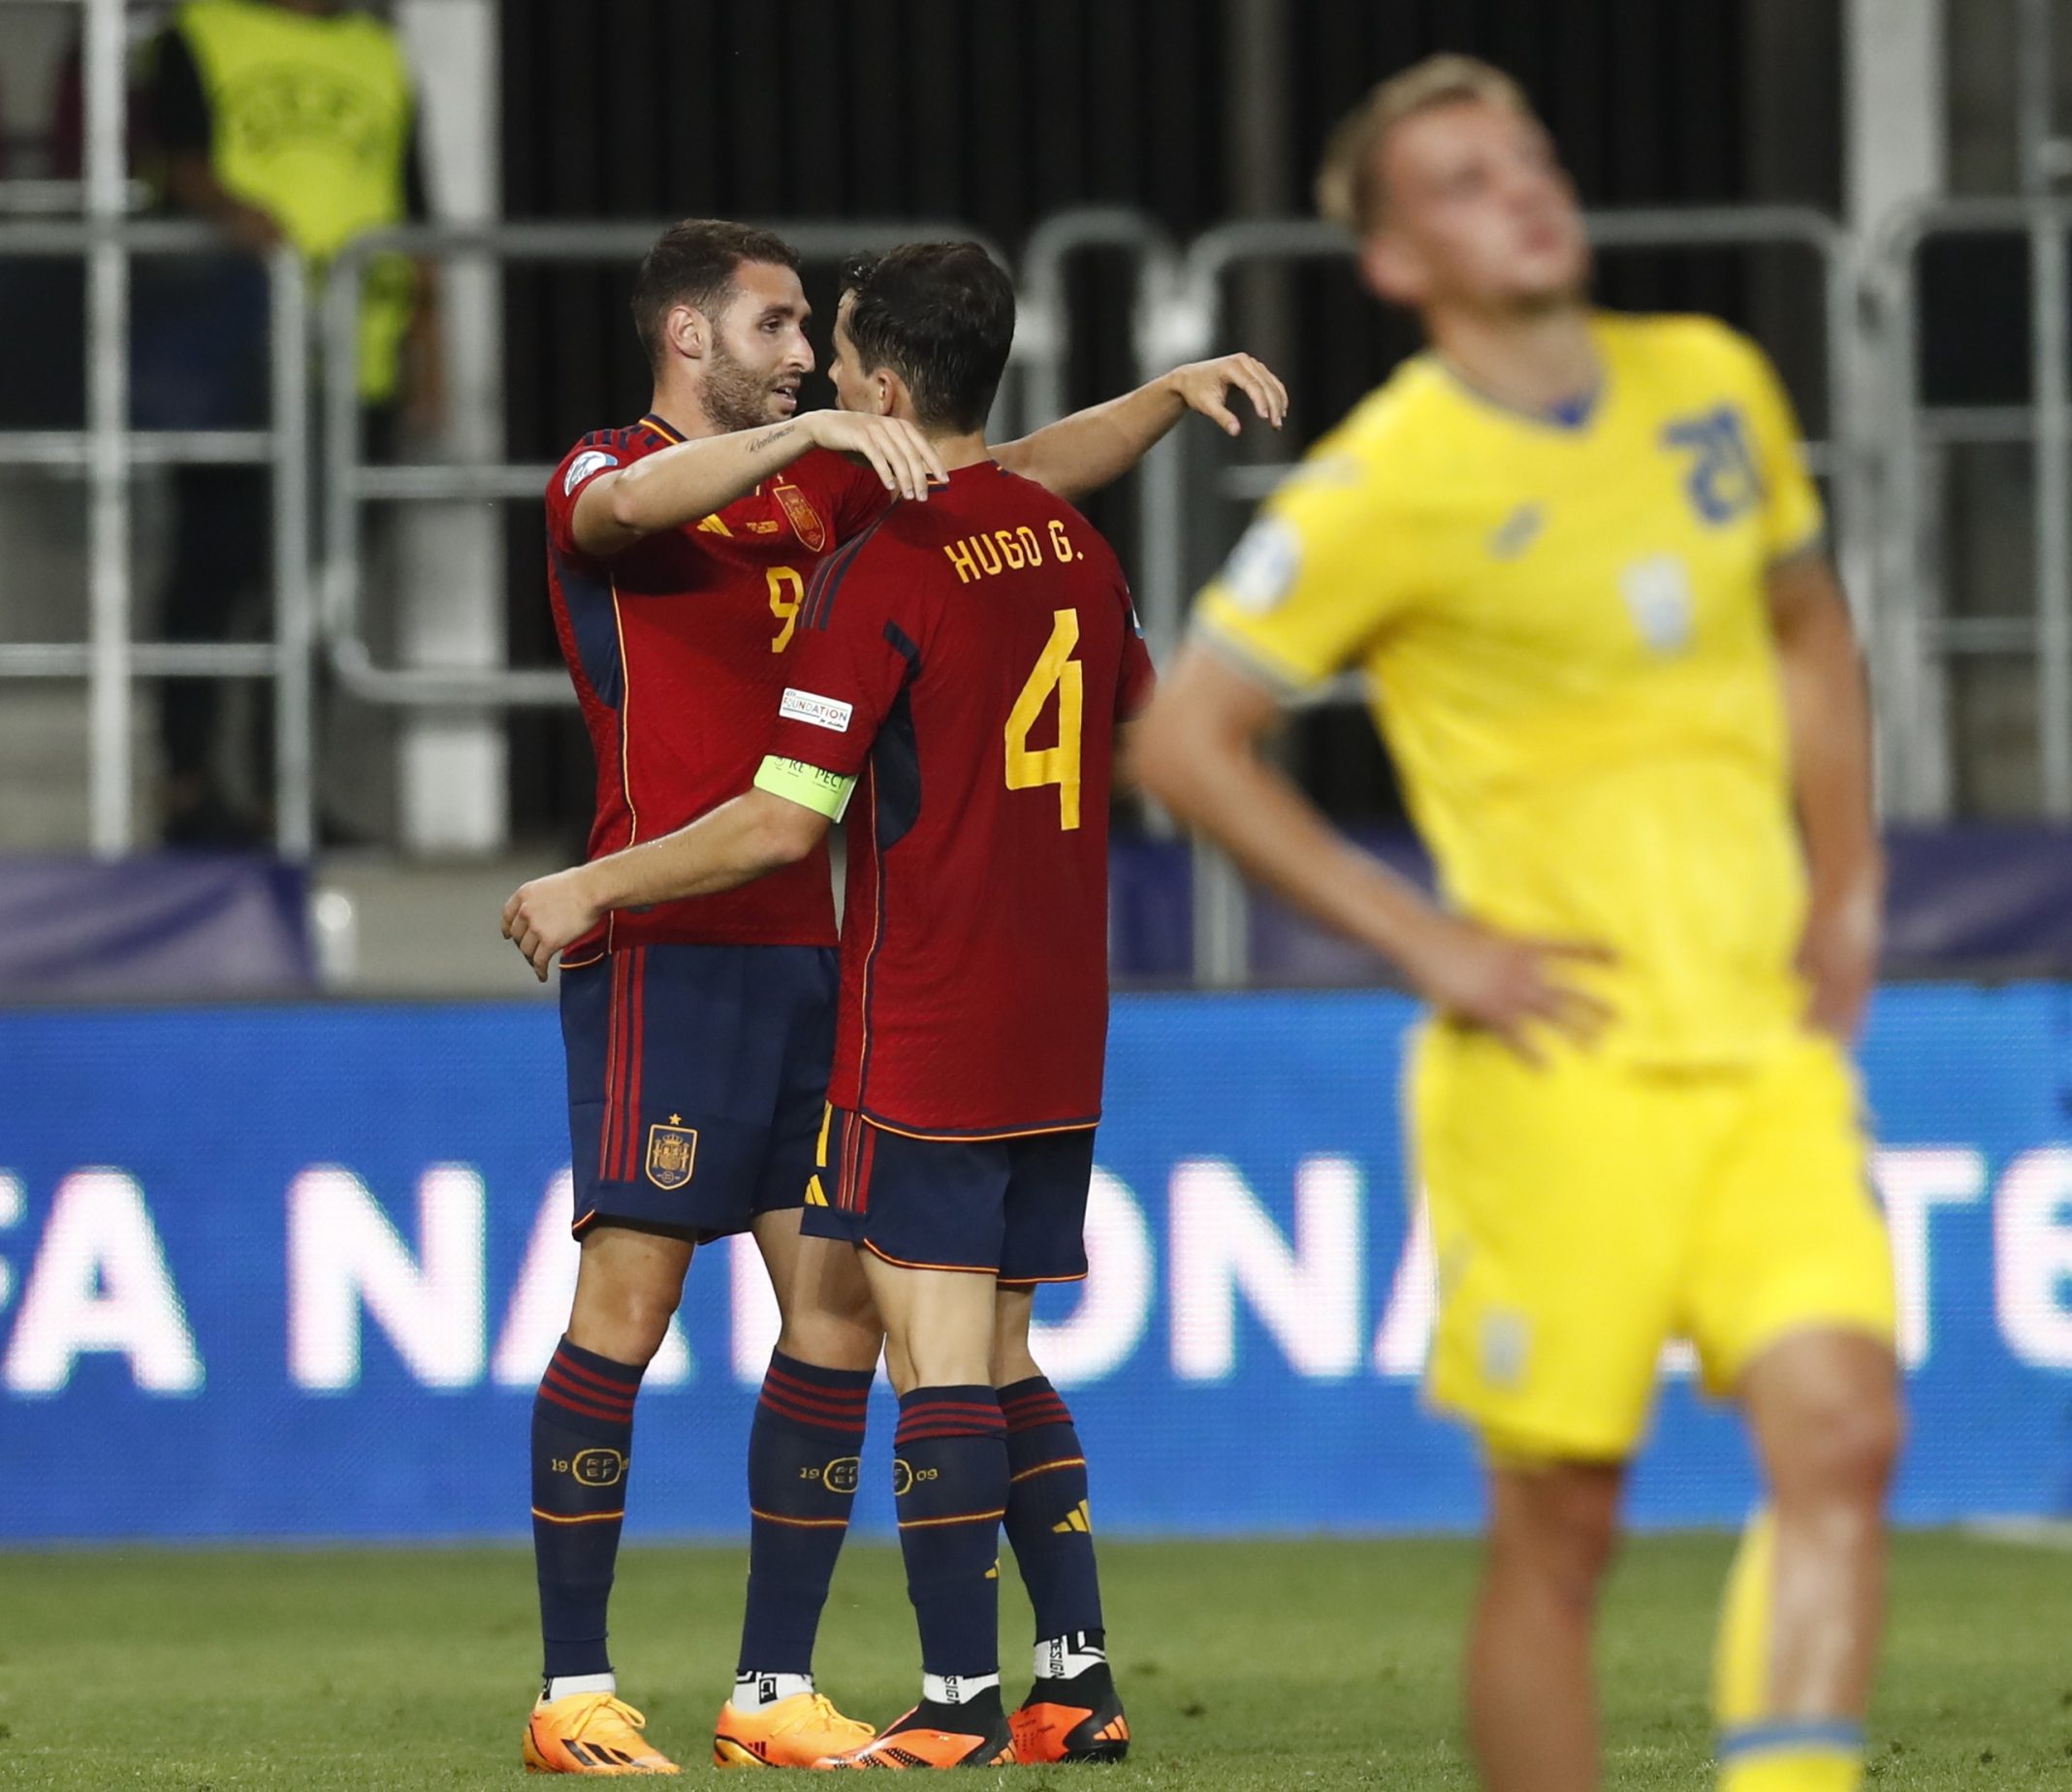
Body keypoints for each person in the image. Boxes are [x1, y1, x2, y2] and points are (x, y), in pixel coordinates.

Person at [1130, 56, 1900, 1792]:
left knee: (1842, 1433)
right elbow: (1184, 736)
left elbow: (1805, 620)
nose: (1525, 190)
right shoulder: (1391, 477)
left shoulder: (1712, 382)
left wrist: (1846, 882)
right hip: (1556, 1068)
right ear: (1397, 263)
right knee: (1563, 1529)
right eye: (1467, 180)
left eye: (1531, 156)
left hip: (1763, 1047)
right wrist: (1430, 945)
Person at [510, 220, 1282, 1775]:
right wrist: (814, 427)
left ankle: (770, 1688)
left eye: (815, 332)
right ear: (687, 337)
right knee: (632, 1305)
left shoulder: (840, 489)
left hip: (826, 954)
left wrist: (1161, 393)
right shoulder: (611, 470)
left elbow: (1009, 476)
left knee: (843, 1322)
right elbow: (622, 515)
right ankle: (573, 1688)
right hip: (675, 948)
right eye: (773, 324)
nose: (801, 352)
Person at [141, 0, 439, 844]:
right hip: (229, 356)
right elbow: (177, 163)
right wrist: (240, 224)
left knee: (322, 588)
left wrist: (432, 352)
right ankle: (187, 785)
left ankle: (287, 794)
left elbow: (415, 210)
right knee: (216, 565)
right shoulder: (196, 32)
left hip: (359, 358)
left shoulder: (376, 53)